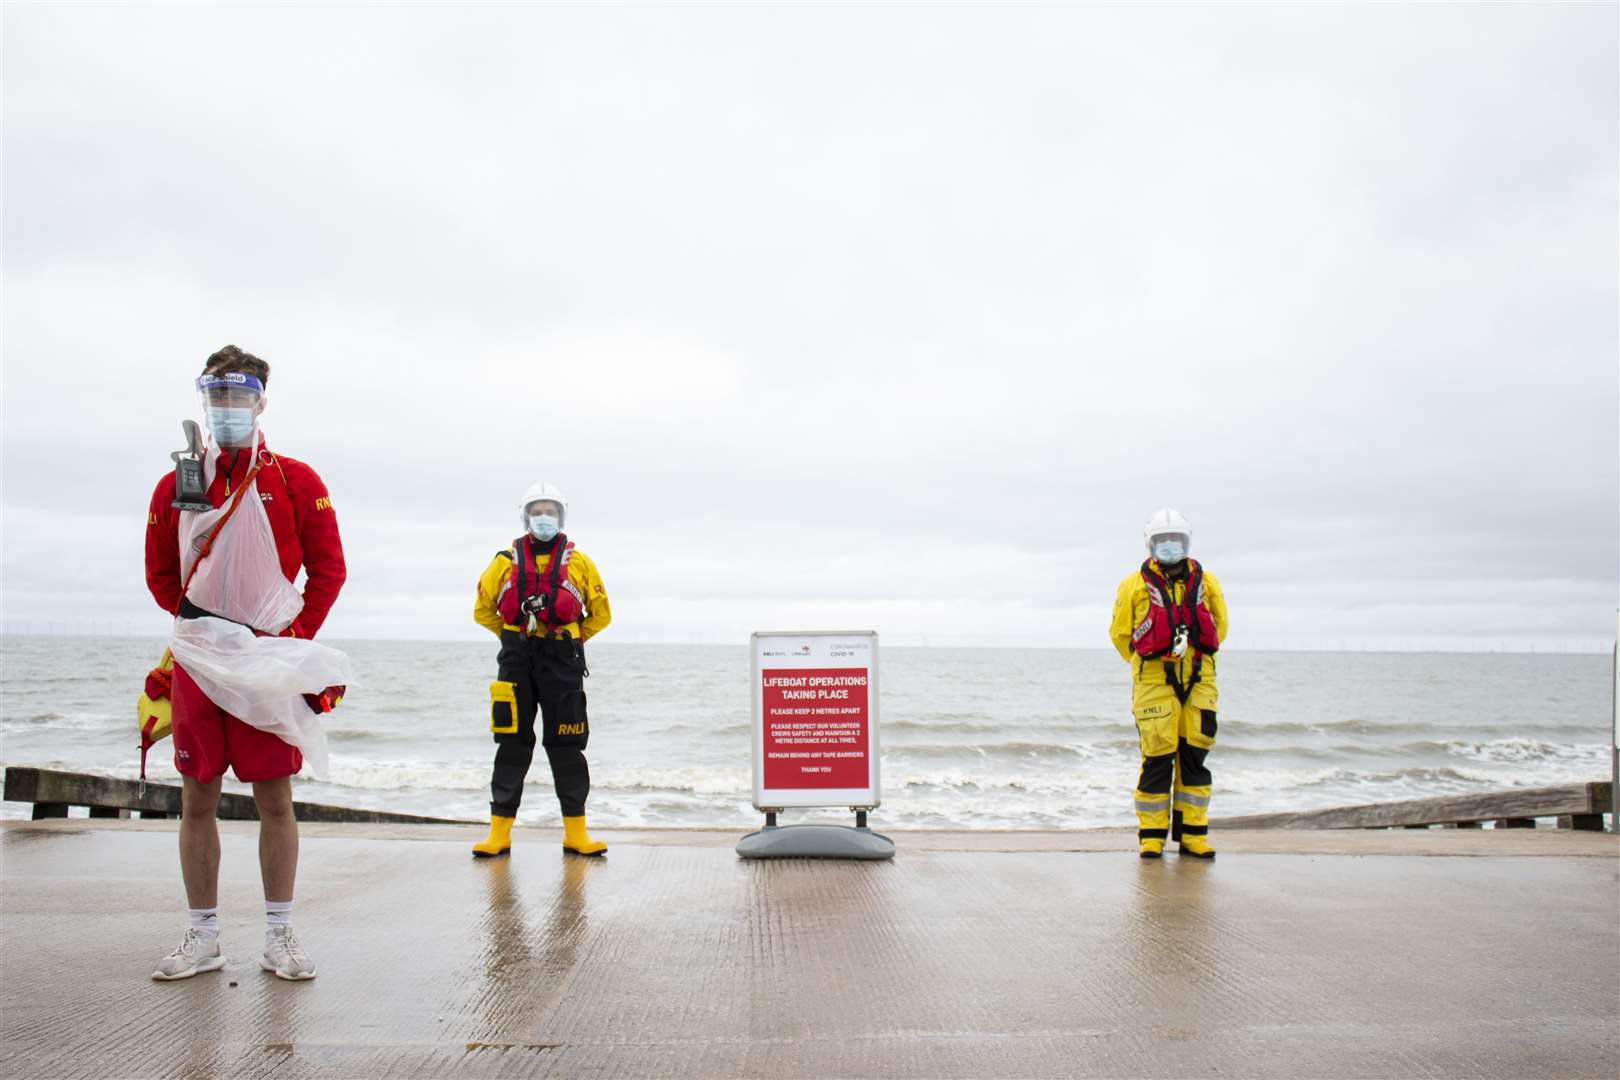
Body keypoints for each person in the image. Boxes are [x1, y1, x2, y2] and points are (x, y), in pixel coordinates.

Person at [144, 345, 348, 980]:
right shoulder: (178, 484)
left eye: (239, 395)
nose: (227, 407)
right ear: (204, 402)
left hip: (266, 659)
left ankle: (279, 936)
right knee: (197, 796)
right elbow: (159, 572)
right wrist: (205, 636)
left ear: (261, 400)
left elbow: (328, 570)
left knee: (274, 799)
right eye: (217, 396)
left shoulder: (295, 480)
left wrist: (290, 639)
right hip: (202, 662)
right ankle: (202, 937)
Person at [471, 482, 612, 858]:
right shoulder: (503, 562)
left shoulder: (580, 563)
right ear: (526, 516)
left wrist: (570, 638)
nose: (544, 518)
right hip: (516, 658)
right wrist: (513, 635)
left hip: (562, 661)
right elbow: (482, 609)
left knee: (567, 744)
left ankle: (576, 834)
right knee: (512, 743)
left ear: (561, 517)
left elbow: (602, 614)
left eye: (551, 511)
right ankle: (498, 834)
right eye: (538, 511)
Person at [1109, 508, 1228, 860]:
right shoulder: (1131, 585)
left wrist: (1195, 659)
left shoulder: (1208, 583)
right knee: (1157, 757)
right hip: (1154, 681)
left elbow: (1219, 626)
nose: (1169, 547)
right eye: (1163, 541)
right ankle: (1151, 837)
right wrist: (1145, 663)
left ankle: (1193, 836)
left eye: (1175, 540)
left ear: (1186, 542)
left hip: (1199, 678)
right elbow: (1120, 634)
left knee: (1195, 755)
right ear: (1151, 544)